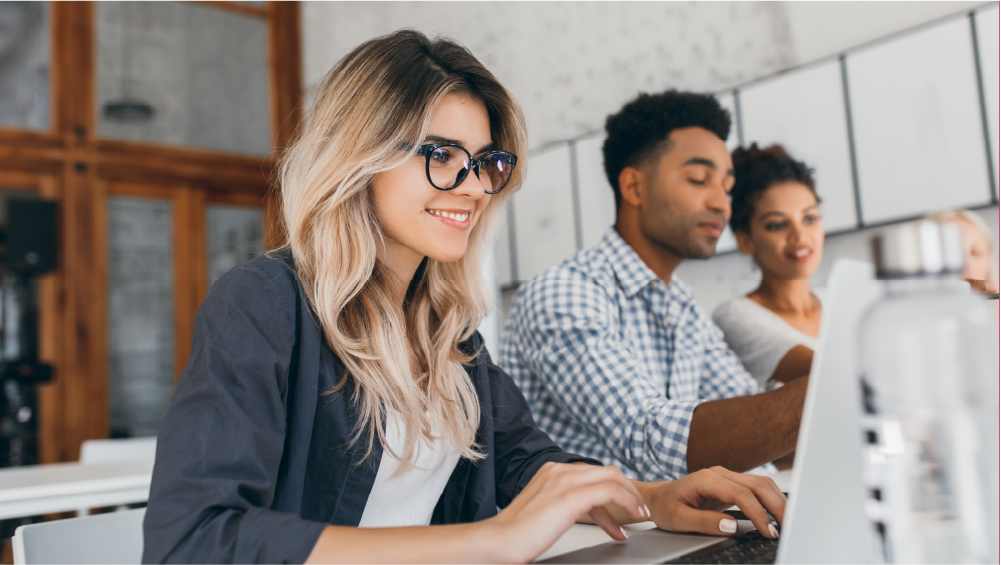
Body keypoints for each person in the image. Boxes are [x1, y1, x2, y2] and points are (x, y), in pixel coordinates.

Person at [141, 31, 785, 565]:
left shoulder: (446, 329)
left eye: (485, 163)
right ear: (358, 154)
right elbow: (194, 540)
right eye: (443, 155)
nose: (474, 187)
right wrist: (488, 542)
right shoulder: (264, 303)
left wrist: (654, 498)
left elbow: (525, 462)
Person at [500, 91, 807, 484]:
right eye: (699, 179)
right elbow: (647, 438)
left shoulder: (682, 305)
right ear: (634, 188)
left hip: (657, 535)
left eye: (727, 187)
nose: (721, 204)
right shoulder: (564, 293)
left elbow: (747, 414)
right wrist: (826, 388)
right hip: (581, 540)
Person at [712, 144, 823, 390]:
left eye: (810, 218)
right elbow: (825, 374)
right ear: (745, 240)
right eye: (777, 225)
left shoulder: (837, 302)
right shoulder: (734, 317)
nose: (800, 236)